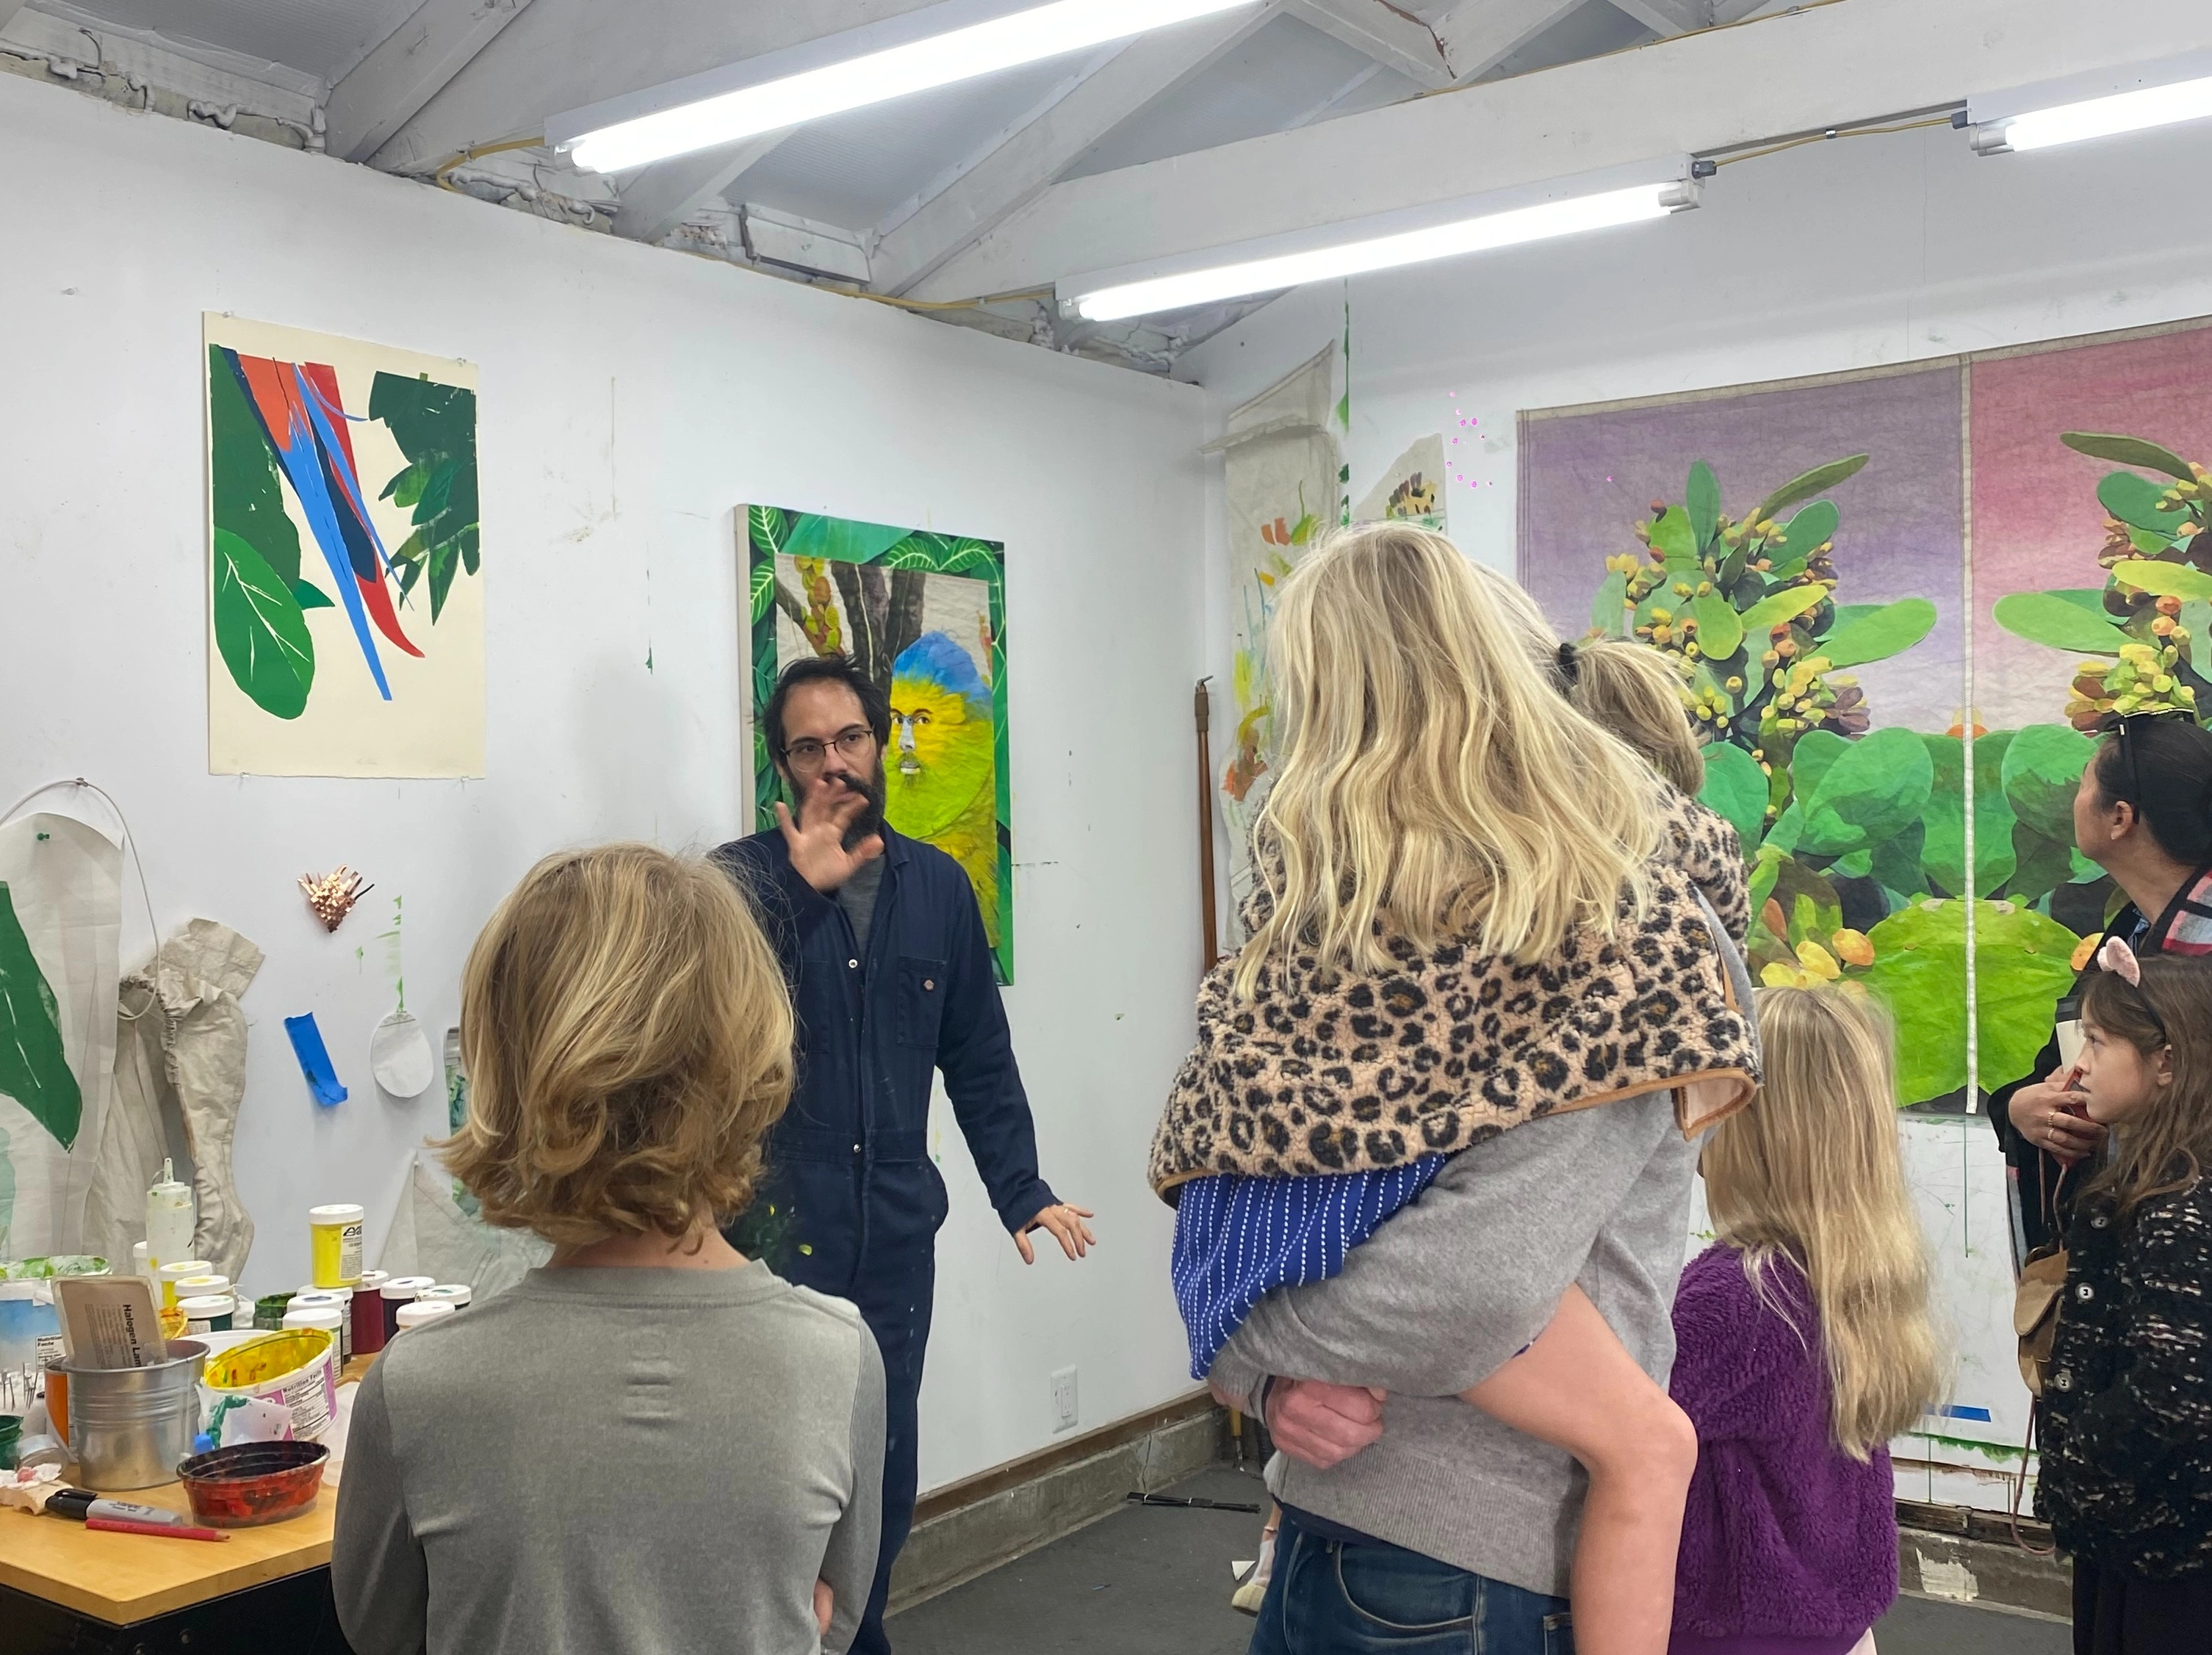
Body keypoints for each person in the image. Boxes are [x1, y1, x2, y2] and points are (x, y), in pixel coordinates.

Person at [1164, 525, 1762, 1654]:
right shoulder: (1338, 927)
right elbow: (1229, 1182)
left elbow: (1466, 1292)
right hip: (1325, 1514)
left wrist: (1247, 1328)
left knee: (1650, 1445)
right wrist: (1261, 1369)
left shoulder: (1616, 928)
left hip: (1471, 1560)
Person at [334, 843, 885, 1655]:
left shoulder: (418, 1387)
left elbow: (384, 1634)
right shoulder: (837, 1359)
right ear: (747, 1060)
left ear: (509, 1074)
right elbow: (825, 1626)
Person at [716, 654, 1095, 1655]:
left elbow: (977, 1057)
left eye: (849, 739)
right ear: (780, 766)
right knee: (766, 1464)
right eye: (808, 747)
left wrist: (1021, 1189)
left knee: (880, 1467)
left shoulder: (939, 890)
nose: (832, 763)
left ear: (879, 744)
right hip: (765, 1234)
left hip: (892, 1237)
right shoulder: (736, 884)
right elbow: (702, 1026)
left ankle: (858, 1634)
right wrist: (800, 897)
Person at [1671, 986, 1943, 1655]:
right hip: (1834, 1627)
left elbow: (1609, 1434)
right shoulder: (1859, 1275)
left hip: (1730, 1632)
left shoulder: (1735, 1296)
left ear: (1751, 1120)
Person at [2035, 943, 2212, 1654]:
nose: (2077, 1065)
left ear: (2165, 1062)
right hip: (2143, 1530)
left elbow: (2171, 1391)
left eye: (2099, 1041)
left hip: (2160, 1540)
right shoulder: (2153, 1182)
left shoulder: (2176, 1208)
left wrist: (2076, 1461)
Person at [1995, 713, 2212, 1259]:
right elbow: (2050, 1067)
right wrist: (2022, 1109)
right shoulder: (2125, 937)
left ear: (2119, 817)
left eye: (2084, 781)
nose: (2074, 797)